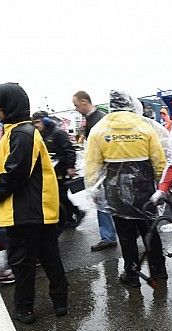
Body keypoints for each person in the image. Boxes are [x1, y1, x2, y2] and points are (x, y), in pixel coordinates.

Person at [0, 83, 68, 324]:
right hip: (37, 209)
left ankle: (25, 309)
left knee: (23, 263)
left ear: (8, 105)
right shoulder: (20, 131)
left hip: (26, 210)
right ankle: (60, 303)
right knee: (50, 259)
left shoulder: (21, 133)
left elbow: (15, 173)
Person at [84, 89, 167, 288]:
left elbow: (92, 166)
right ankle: (159, 270)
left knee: (126, 235)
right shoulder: (145, 127)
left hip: (115, 191)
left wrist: (94, 192)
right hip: (144, 188)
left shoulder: (99, 129)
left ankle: (131, 274)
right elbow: (159, 161)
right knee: (150, 230)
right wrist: (161, 187)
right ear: (130, 103)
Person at [73, 90, 118, 252]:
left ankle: (109, 237)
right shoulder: (93, 118)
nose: (76, 108)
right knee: (104, 203)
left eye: (76, 105)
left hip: (104, 170)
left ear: (85, 102)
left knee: (103, 203)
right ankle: (110, 235)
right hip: (101, 169)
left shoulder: (98, 119)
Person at [32, 111, 84, 229]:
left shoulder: (58, 133)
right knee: (59, 195)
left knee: (60, 195)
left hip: (61, 169)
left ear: (46, 120)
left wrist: (70, 167)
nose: (36, 125)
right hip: (52, 170)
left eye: (38, 122)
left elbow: (70, 150)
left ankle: (77, 212)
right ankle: (69, 218)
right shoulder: (43, 134)